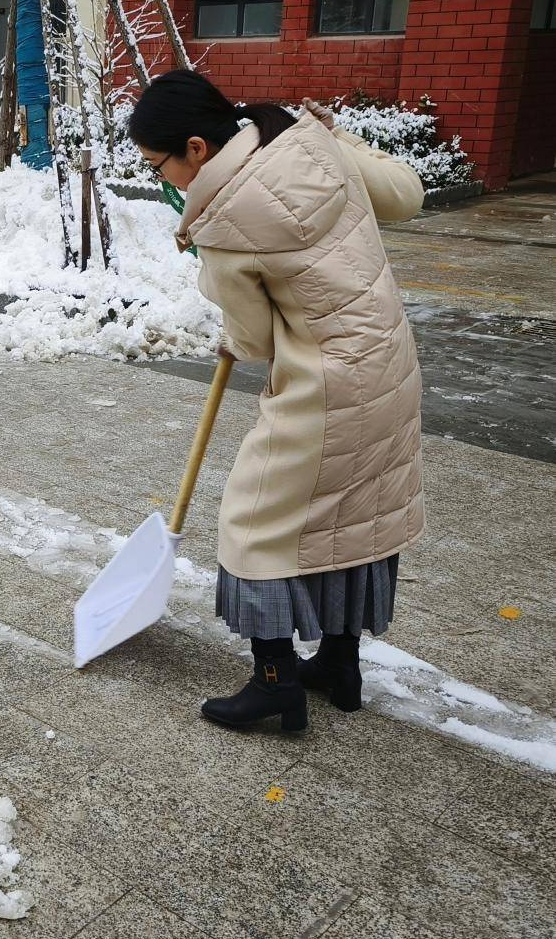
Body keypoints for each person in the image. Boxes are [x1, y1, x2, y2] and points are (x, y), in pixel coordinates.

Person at [128, 71, 425, 733]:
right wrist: (339, 134)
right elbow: (405, 196)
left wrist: (224, 309)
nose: (164, 180)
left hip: (328, 388)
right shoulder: (304, 138)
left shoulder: (226, 221)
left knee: (251, 524)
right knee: (353, 515)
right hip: (390, 365)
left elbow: (256, 341)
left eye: (159, 166)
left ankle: (275, 684)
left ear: (197, 148)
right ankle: (339, 666)